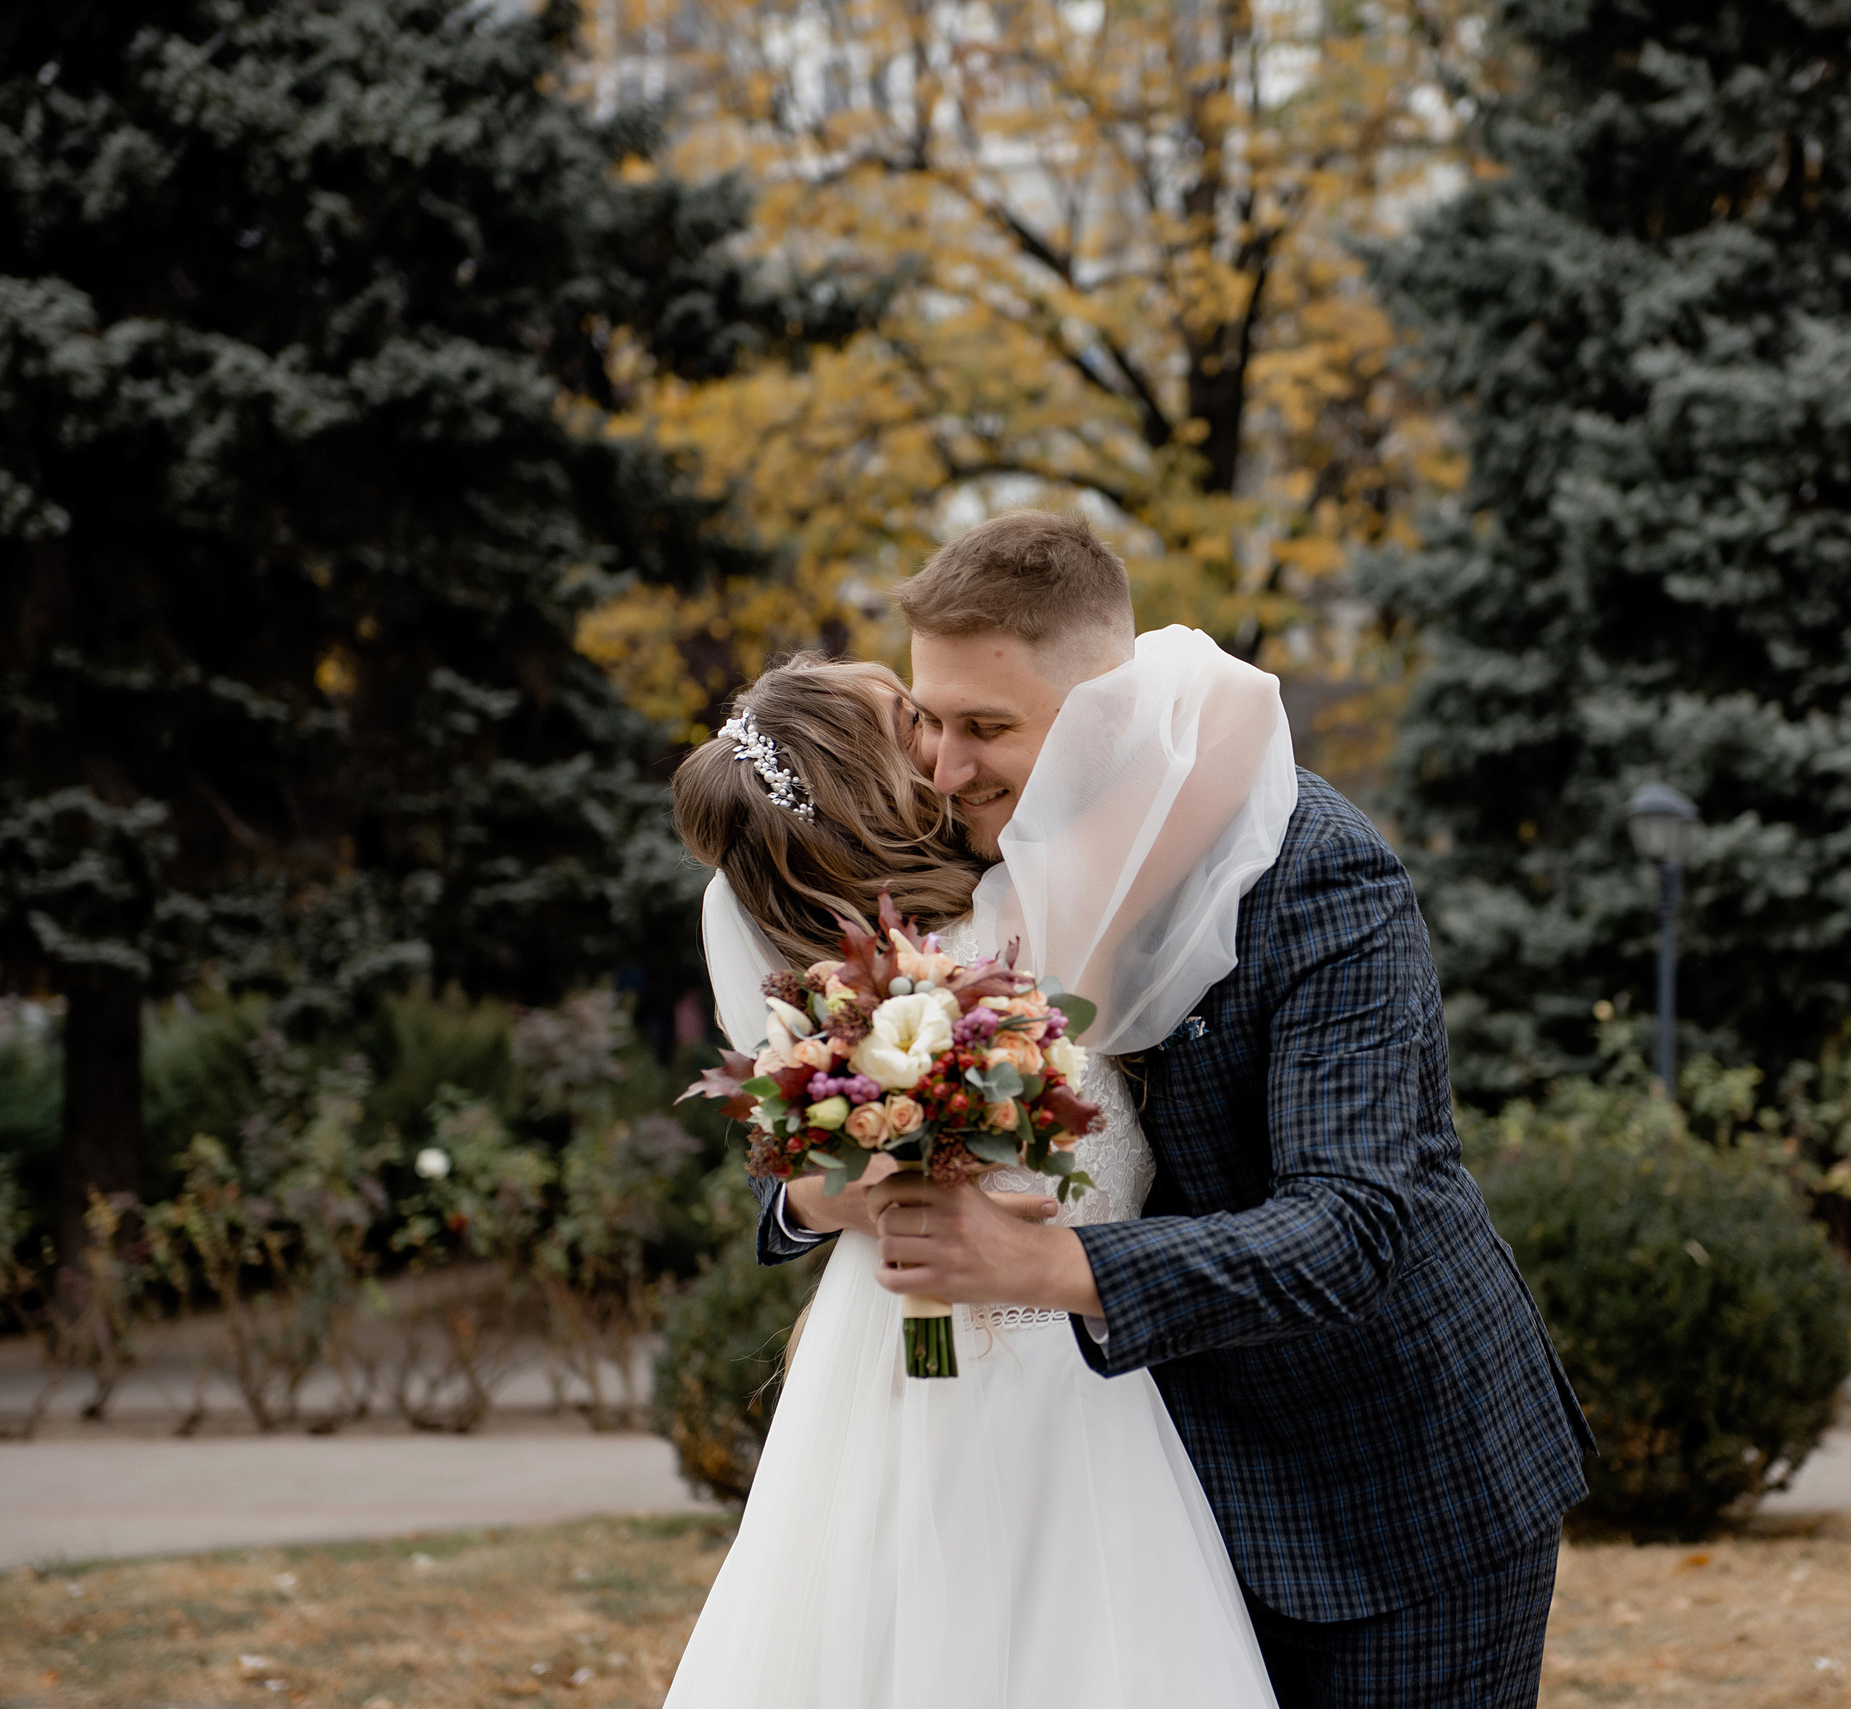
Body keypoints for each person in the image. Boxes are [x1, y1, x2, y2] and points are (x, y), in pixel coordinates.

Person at [779, 512, 1594, 1707]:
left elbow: (1352, 1221)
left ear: (1102, 709)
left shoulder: (1313, 868)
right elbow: (824, 1075)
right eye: (930, 721)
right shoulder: (965, 846)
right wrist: (817, 1184)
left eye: (987, 727)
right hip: (1137, 1505)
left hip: (1397, 1492)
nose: (945, 769)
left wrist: (1041, 1262)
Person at [662, 650, 1282, 1709]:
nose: (952, 742)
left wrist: (825, 1185)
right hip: (1055, 1374)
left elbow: (805, 1160)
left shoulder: (813, 973)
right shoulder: (1033, 915)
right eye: (917, 718)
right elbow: (1238, 695)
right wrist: (1057, 672)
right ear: (881, 779)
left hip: (876, 1355)